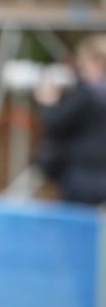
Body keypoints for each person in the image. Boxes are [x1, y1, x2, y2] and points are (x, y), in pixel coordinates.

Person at [33, 33, 106, 206]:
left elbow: (56, 123)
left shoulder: (88, 95)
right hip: (96, 174)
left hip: (83, 176)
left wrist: (48, 103)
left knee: (76, 228)